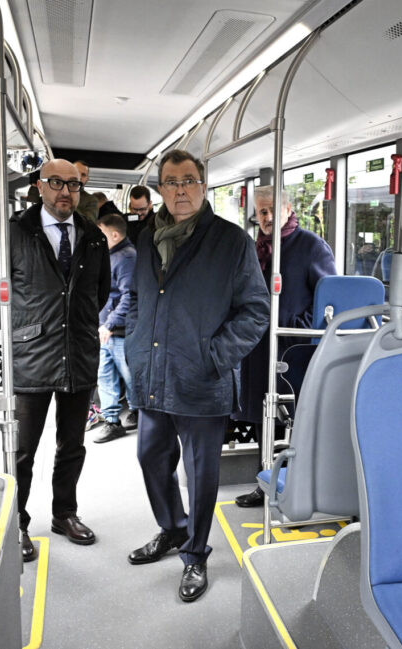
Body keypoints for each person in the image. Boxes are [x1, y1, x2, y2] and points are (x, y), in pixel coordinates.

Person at [124, 150, 268, 602]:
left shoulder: (230, 242)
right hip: (154, 373)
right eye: (171, 182)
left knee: (200, 472)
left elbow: (256, 310)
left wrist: (214, 356)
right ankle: (172, 528)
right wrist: (133, 343)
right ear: (160, 190)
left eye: (189, 180)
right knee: (151, 457)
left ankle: (196, 554)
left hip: (202, 379)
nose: (180, 189)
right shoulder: (146, 239)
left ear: (203, 187)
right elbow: (136, 298)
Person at [0, 158, 110, 562]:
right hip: (31, 356)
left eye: (73, 185)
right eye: (56, 183)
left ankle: (64, 513)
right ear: (39, 186)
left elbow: (100, 293)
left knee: (72, 444)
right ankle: (16, 521)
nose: (65, 191)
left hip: (78, 356)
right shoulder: (15, 234)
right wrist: (30, 325)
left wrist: (78, 327)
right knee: (23, 450)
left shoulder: (92, 236)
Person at [234, 186, 337, 508]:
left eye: (271, 211)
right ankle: (264, 482)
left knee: (294, 419)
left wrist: (298, 328)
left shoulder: (311, 246)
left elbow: (328, 300)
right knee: (264, 417)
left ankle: (295, 486)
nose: (265, 217)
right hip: (258, 347)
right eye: (260, 212)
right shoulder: (257, 247)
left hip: (292, 348)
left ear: (288, 209)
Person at [94, 212, 138, 444]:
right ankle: (111, 419)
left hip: (118, 330)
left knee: (128, 375)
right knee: (105, 374)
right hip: (105, 328)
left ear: (114, 234)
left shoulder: (126, 258)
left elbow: (129, 296)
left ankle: (138, 411)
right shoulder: (111, 256)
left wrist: (110, 324)